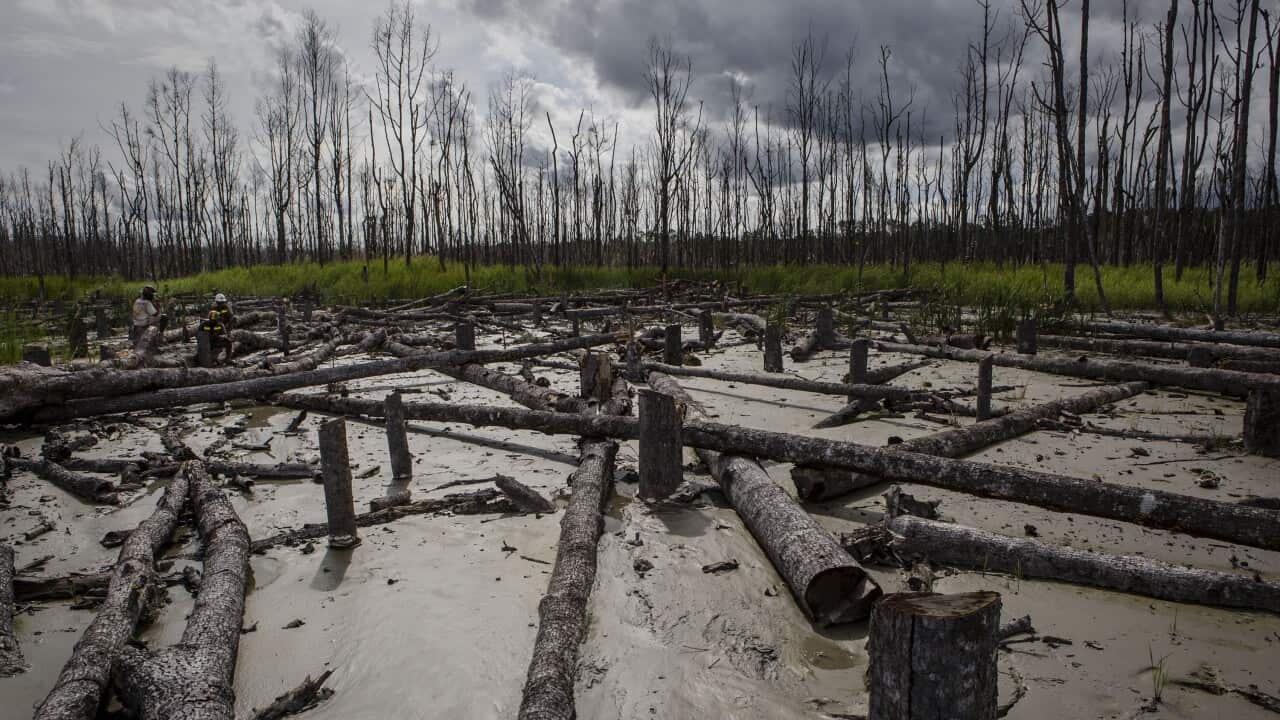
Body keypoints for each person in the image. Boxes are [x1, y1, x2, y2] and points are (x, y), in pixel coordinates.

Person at [200, 293, 235, 364]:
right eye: (219, 303)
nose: (220, 304)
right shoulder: (204, 324)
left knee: (228, 342)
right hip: (207, 342)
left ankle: (226, 359)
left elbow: (231, 319)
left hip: (217, 338)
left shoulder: (226, 310)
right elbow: (198, 334)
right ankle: (212, 357)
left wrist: (227, 333)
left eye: (221, 302)